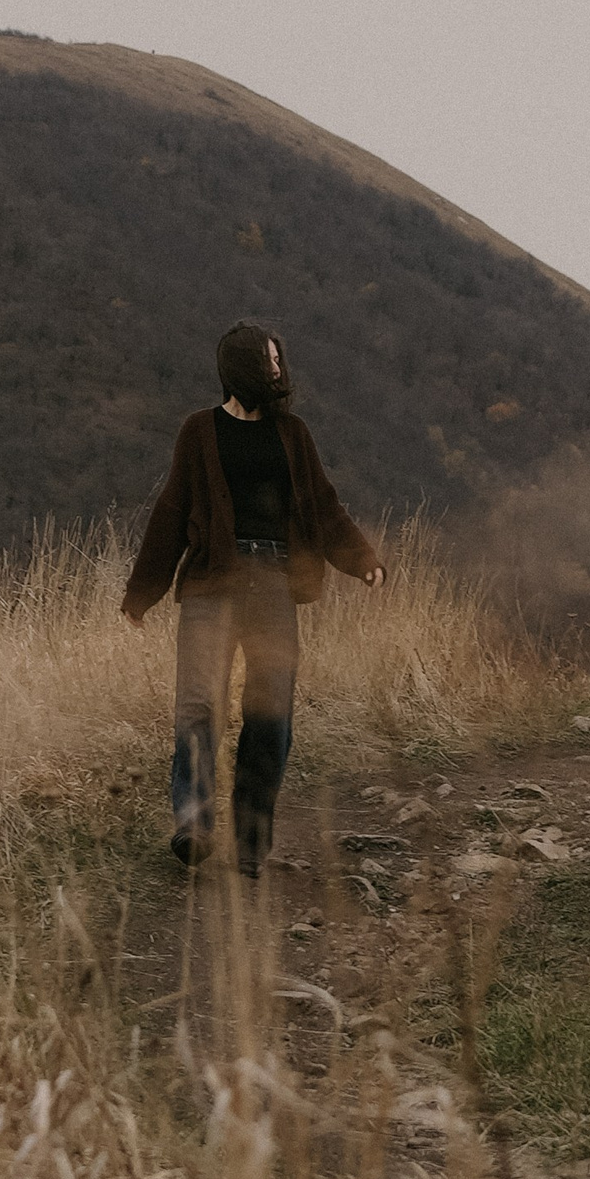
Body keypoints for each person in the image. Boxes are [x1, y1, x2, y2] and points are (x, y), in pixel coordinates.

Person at [123, 322, 385, 876]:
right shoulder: (199, 431)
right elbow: (172, 510)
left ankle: (249, 842)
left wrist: (363, 560)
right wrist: (142, 592)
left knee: (271, 715)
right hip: (211, 584)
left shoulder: (294, 433)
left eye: (278, 360)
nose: (277, 370)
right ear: (241, 367)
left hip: (272, 583)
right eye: (267, 361)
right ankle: (193, 825)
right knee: (198, 706)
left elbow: (324, 503)